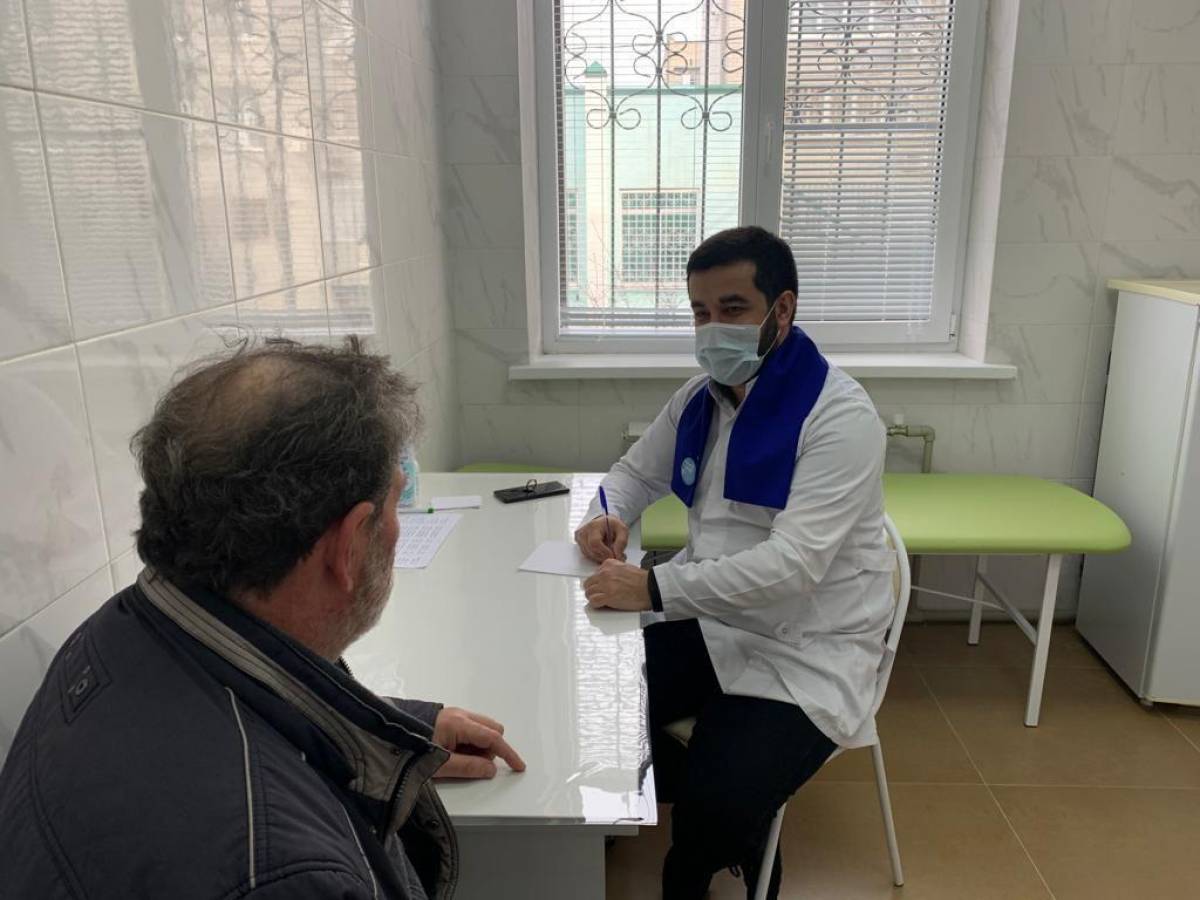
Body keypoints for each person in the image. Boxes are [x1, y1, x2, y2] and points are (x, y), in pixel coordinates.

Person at [0, 337, 524, 900]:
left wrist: (378, 730)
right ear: (348, 545)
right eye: (395, 505)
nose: (397, 531)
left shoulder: (120, 631)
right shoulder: (287, 876)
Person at [576, 227, 892, 899]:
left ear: (782, 309)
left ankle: (716, 847)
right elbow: (632, 474)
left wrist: (651, 586)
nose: (712, 327)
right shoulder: (701, 399)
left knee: (712, 810)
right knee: (598, 712)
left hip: (807, 648)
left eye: (732, 308)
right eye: (700, 311)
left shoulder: (839, 417)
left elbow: (793, 567)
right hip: (712, 620)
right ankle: (717, 803)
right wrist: (605, 516)